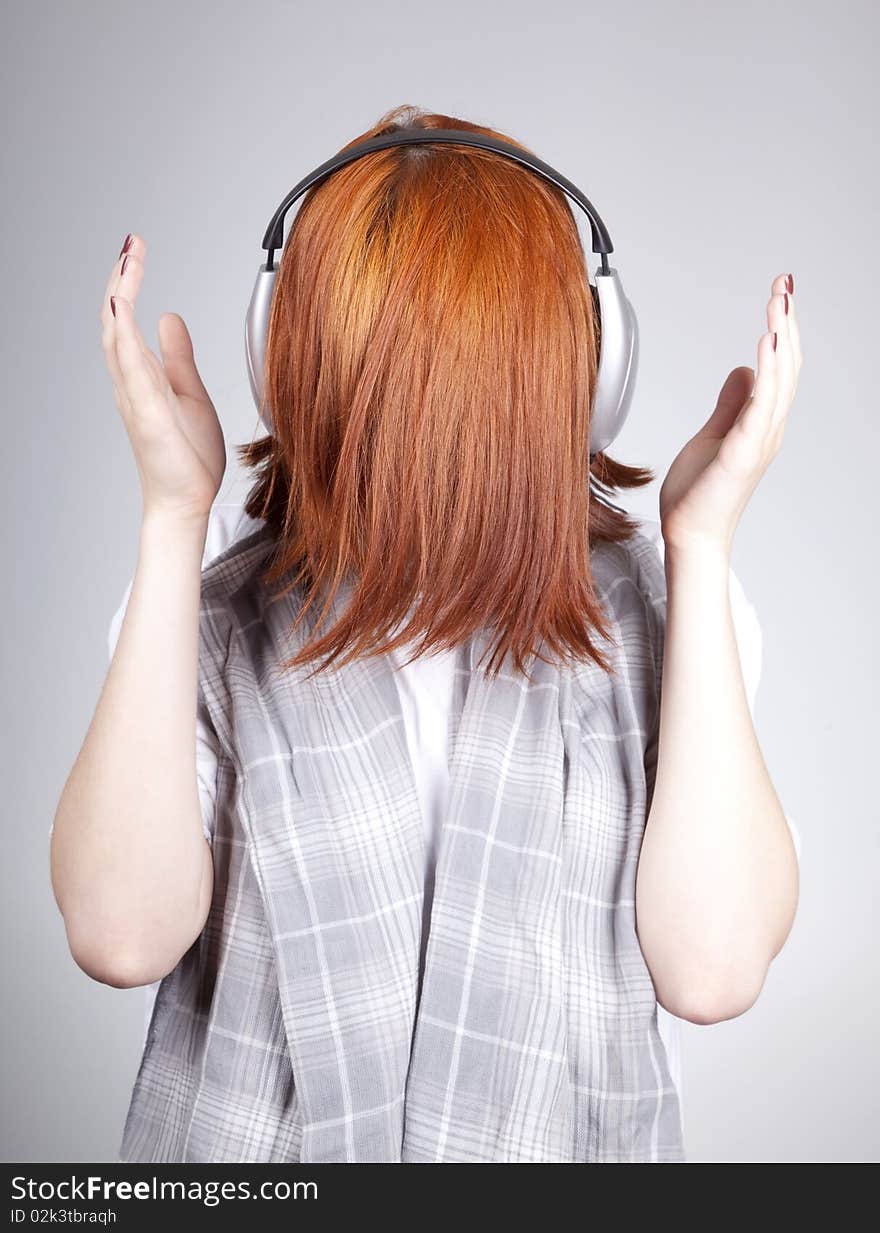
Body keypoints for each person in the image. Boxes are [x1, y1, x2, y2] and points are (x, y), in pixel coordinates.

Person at [49, 106, 802, 1163]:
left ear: (586, 367)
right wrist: (171, 518)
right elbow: (120, 937)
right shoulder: (204, 604)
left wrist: (704, 544)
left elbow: (712, 971)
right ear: (292, 358)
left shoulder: (672, 616)